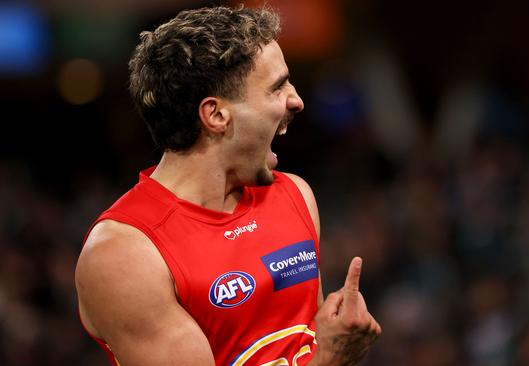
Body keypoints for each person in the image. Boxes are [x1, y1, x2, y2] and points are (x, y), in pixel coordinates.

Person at [74, 5, 381, 366]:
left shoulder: (294, 195)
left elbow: (304, 346)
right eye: (278, 86)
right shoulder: (125, 256)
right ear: (216, 115)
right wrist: (333, 358)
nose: (296, 100)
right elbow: (322, 355)